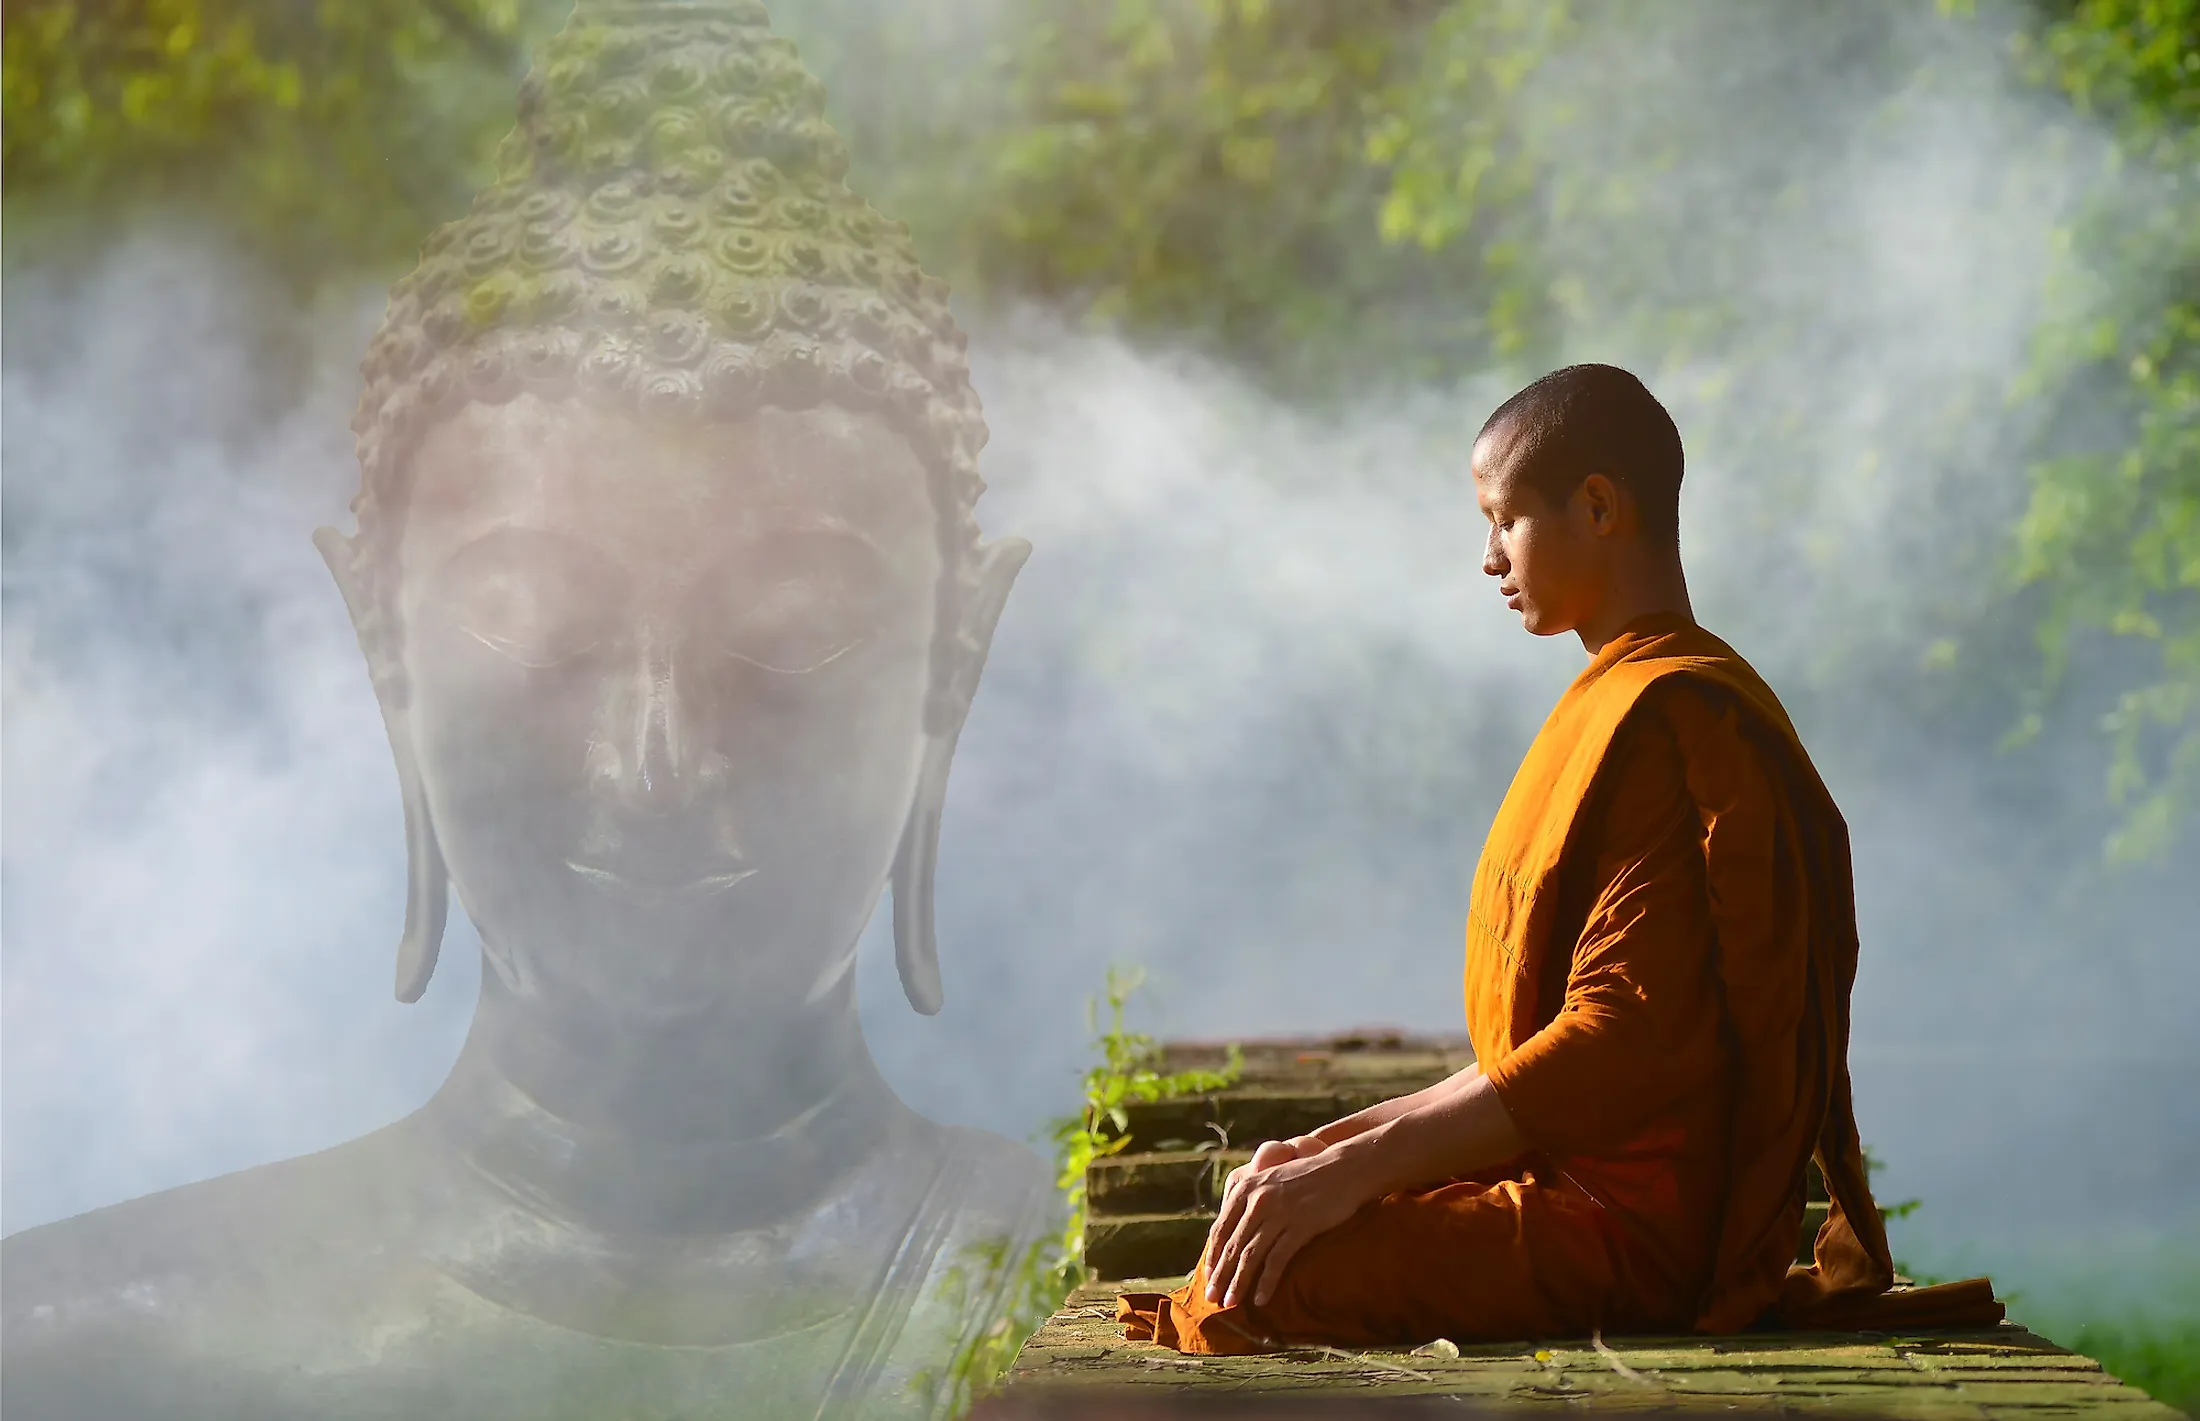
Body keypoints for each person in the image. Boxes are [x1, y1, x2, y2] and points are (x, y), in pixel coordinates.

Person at [2, 4, 1051, 1417]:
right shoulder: (80, 1345)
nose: (657, 764)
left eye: (793, 629)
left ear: (953, 665)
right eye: (534, 621)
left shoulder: (1132, 1304)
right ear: (388, 650)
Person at [1119, 363, 2000, 1354]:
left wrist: (1360, 1168)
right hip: (1565, 1175)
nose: (1488, 556)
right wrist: (1340, 1147)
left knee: (1255, 1288)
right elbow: (1552, 1049)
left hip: (1631, 1220)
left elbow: (1620, 1033)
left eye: (1503, 518)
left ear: (1596, 506)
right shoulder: (1617, 697)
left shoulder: (1679, 714)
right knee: (1266, 1225)